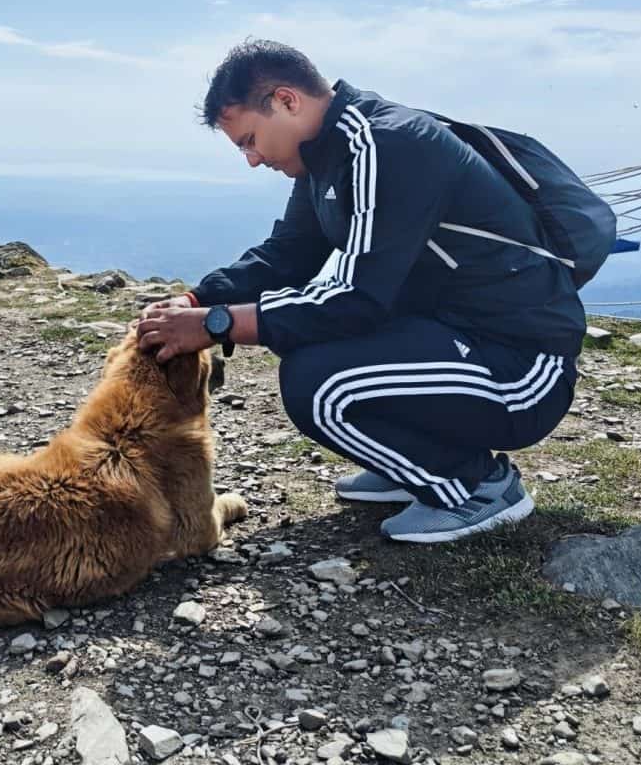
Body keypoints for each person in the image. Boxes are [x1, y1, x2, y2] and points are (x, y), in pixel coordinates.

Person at [136, 39, 585, 543]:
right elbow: (288, 253)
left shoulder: (386, 144)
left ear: (287, 101)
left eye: (249, 140)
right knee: (312, 347)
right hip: (453, 336)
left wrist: (216, 325)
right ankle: (414, 462)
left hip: (520, 366)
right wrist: (197, 301)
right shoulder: (327, 154)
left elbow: (356, 299)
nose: (253, 159)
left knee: (319, 385)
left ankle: (478, 487)